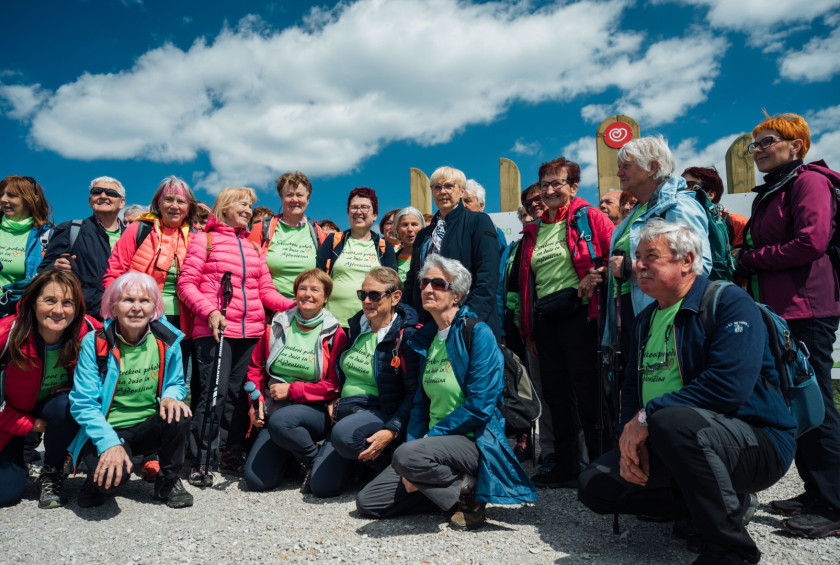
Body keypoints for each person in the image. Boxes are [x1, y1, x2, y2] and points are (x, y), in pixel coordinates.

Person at [578, 220, 796, 565]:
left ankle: (729, 549)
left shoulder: (728, 302)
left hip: (755, 441)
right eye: (637, 257)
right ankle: (718, 505)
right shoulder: (647, 318)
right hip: (675, 436)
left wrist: (646, 419)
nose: (639, 265)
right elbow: (633, 387)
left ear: (686, 260)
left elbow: (728, 386)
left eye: (652, 256)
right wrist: (627, 436)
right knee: (595, 485)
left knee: (670, 419)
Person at [356, 255, 536, 530]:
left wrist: (424, 444)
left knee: (407, 458)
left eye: (438, 284)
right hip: (431, 446)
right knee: (369, 502)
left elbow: (480, 406)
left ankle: (468, 494)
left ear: (457, 295)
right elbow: (419, 405)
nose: (427, 288)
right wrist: (415, 444)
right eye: (425, 282)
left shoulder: (477, 333)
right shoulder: (425, 338)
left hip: (472, 440)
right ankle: (456, 490)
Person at [735, 112, 840, 538]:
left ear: (795, 146)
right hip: (782, 309)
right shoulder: (777, 187)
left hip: (807, 308)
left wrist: (748, 261)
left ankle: (834, 504)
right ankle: (817, 491)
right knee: (797, 402)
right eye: (754, 144)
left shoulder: (808, 181)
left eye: (767, 141)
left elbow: (811, 242)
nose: (757, 150)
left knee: (815, 402)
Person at [178, 187, 295, 486]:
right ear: (225, 207)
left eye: (250, 206)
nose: (248, 210)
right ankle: (201, 459)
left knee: (238, 397)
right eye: (242, 204)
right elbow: (187, 284)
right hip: (215, 329)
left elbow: (265, 290)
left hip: (251, 332)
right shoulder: (203, 241)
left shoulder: (253, 247)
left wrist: (297, 306)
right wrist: (209, 311)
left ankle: (230, 453)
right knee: (211, 395)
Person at [511, 156, 615, 487]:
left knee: (589, 392)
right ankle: (567, 467)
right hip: (545, 321)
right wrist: (528, 330)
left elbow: (619, 253)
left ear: (573, 187)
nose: (550, 190)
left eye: (558, 183)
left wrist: (596, 275)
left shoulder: (589, 217)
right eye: (545, 184)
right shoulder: (534, 229)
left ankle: (602, 466)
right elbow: (527, 284)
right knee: (556, 396)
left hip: (580, 316)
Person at [68, 272, 194, 509]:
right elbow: (83, 402)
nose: (136, 308)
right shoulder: (94, 343)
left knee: (181, 413)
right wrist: (109, 443)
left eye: (144, 301)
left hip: (147, 427)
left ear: (154, 308)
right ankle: (93, 479)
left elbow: (176, 383)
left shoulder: (167, 340)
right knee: (108, 484)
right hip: (109, 428)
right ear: (113, 307)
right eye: (128, 300)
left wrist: (170, 397)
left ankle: (169, 480)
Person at [594, 136, 712, 387]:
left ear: (653, 167)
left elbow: (699, 263)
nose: (619, 172)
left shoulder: (678, 204)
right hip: (634, 313)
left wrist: (632, 268)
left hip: (668, 318)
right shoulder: (638, 210)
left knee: (665, 387)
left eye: (626, 165)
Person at [309, 267, 420, 497]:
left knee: (344, 437)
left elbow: (414, 393)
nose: (367, 301)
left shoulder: (405, 336)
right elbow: (343, 372)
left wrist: (392, 430)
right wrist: (335, 398)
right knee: (321, 487)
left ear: (395, 297)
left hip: (379, 411)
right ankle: (358, 466)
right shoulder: (358, 326)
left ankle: (383, 464)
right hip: (346, 412)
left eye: (375, 295)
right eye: (363, 295)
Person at [0, 269, 99, 509]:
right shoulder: (7, 334)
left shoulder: (88, 331)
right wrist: (29, 424)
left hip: (53, 408)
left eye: (67, 302)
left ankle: (52, 471)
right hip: (10, 417)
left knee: (67, 404)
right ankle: (20, 456)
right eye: (50, 300)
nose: (58, 310)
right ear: (33, 303)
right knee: (5, 495)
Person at [244, 269, 347, 492]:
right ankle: (292, 457)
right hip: (276, 409)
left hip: (313, 410)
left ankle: (313, 460)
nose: (307, 294)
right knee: (256, 480)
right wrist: (256, 403)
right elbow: (255, 368)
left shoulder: (335, 334)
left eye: (315, 290)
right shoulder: (276, 326)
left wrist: (292, 390)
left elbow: (334, 385)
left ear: (326, 297)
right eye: (302, 288)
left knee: (283, 421)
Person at [403, 167, 501, 339]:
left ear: (461, 191)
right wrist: (407, 317)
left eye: (449, 186)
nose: (443, 192)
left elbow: (487, 277)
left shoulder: (478, 222)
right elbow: (412, 280)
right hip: (426, 325)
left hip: (466, 324)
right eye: (437, 187)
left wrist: (468, 321)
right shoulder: (423, 235)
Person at [39, 176, 127, 320]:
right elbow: (43, 270)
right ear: (90, 201)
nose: (103, 196)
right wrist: (54, 266)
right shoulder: (70, 229)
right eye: (97, 192)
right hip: (83, 318)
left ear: (121, 202)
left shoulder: (133, 236)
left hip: (124, 317)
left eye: (110, 193)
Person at [316, 187, 397, 329]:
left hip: (372, 325)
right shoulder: (333, 241)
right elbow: (318, 278)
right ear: (348, 212)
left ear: (375, 214)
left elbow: (392, 286)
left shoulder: (385, 247)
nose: (358, 212)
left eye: (365, 207)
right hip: (333, 323)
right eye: (354, 208)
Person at [248, 171, 328, 300]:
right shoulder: (262, 229)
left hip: (307, 309)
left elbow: (326, 274)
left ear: (308, 199)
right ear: (281, 198)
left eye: (300, 195)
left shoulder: (318, 233)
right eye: (289, 195)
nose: (294, 200)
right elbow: (247, 269)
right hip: (268, 310)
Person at [0, 175, 53, 296]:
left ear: (31, 199)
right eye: (1, 194)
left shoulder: (47, 236)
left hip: (19, 311)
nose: (3, 199)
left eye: (11, 195)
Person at [682, 167, 747, 246]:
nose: (683, 190)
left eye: (689, 185)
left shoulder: (735, 222)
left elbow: (746, 255)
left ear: (710, 194)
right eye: (680, 186)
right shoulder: (672, 221)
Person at [463, 179, 507, 254]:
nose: (463, 205)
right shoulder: (448, 229)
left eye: (467, 201)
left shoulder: (496, 232)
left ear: (481, 206)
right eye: (460, 201)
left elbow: (502, 262)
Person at [392, 207, 425, 284]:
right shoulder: (392, 259)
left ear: (422, 228)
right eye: (405, 225)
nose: (409, 229)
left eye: (414, 224)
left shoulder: (430, 255)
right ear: (397, 229)